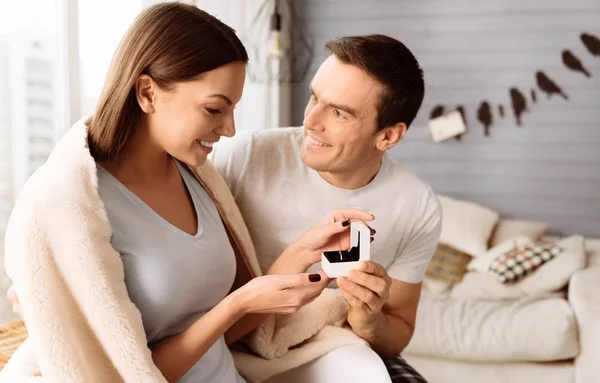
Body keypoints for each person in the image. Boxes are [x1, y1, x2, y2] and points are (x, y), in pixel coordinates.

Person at [1, 3, 375, 382]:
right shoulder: (71, 205)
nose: (229, 129)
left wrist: (302, 252)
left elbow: (221, 337)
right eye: (214, 109)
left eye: (232, 110)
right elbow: (121, 374)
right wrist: (237, 304)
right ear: (148, 93)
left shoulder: (198, 178)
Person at [210, 34, 442, 383]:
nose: (311, 121)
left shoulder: (417, 206)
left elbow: (398, 331)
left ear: (388, 136)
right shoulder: (244, 157)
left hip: (334, 347)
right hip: (229, 344)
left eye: (338, 113)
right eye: (314, 97)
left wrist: (370, 322)